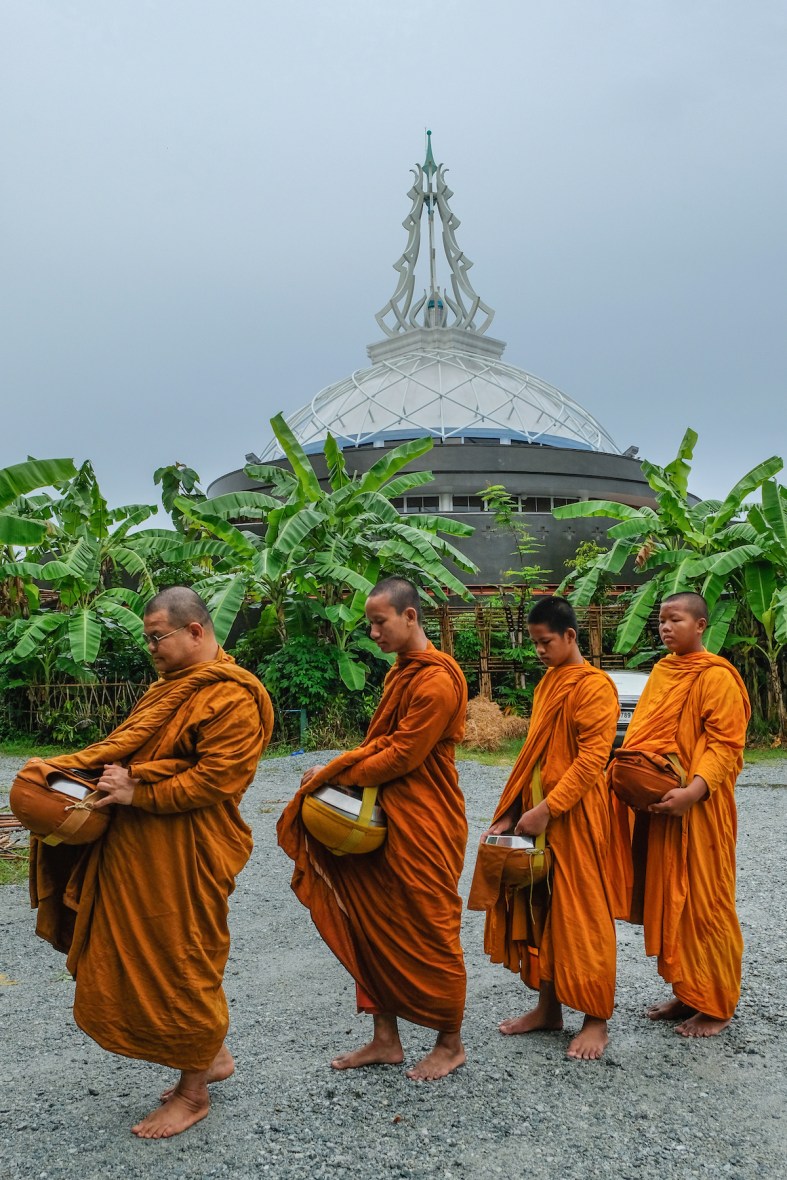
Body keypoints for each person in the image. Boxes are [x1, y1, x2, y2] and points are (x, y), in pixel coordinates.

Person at [27, 586, 274, 1138]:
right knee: (157, 955)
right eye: (147, 638)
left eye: (157, 636)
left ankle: (193, 1094)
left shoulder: (230, 696)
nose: (150, 648)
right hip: (144, 848)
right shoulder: (170, 689)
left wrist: (140, 793)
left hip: (189, 851)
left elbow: (218, 779)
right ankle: (209, 1056)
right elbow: (132, 750)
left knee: (181, 956)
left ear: (195, 631)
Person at [277, 576, 468, 1080]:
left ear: (410, 617)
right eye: (369, 624)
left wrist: (333, 773)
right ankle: (386, 1038)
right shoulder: (400, 673)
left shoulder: (436, 680)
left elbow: (403, 755)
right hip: (385, 815)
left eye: (380, 623)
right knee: (369, 919)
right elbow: (381, 745)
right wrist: (335, 775)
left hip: (425, 818)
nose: (374, 633)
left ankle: (450, 1042)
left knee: (431, 926)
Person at [468, 595, 622, 1060]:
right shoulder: (548, 683)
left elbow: (594, 759)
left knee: (585, 913)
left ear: (571, 637)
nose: (538, 651)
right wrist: (514, 811)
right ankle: (549, 1008)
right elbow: (533, 753)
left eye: (545, 642)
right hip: (538, 813)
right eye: (534, 643)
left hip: (577, 817)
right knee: (541, 909)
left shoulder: (595, 687)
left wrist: (550, 808)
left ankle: (596, 1019)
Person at [615, 591, 750, 1037]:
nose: (665, 628)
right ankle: (687, 991)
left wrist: (693, 790)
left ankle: (716, 1005)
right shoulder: (663, 671)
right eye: (661, 621)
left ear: (701, 626)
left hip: (701, 809)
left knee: (704, 901)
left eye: (675, 620)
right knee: (669, 898)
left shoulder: (718, 677)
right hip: (664, 804)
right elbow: (640, 735)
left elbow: (724, 746)